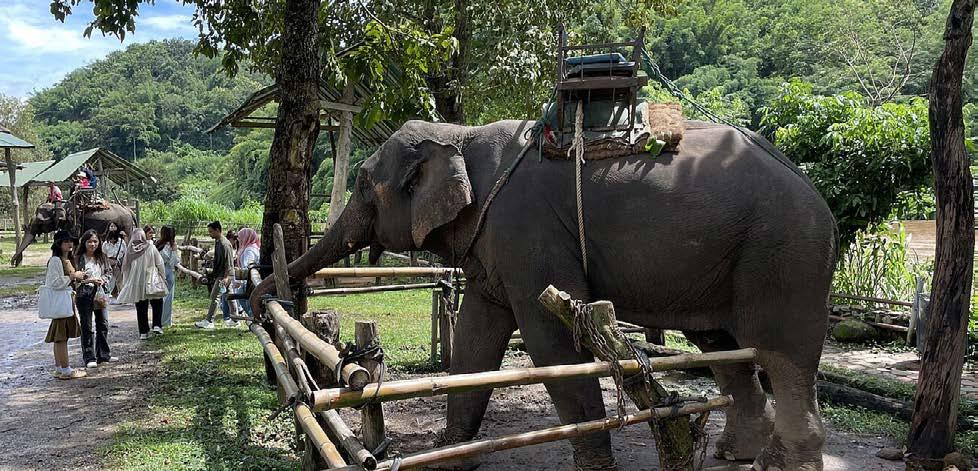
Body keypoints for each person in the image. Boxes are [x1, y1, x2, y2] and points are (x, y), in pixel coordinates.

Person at [38, 230, 87, 379]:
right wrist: (73, 276)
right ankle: (66, 370)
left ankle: (60, 368)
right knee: (61, 337)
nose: (69, 244)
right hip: (61, 303)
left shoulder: (67, 260)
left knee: (60, 336)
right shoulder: (55, 261)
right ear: (58, 244)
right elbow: (55, 283)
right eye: (66, 241)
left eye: (71, 241)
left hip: (66, 301)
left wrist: (79, 278)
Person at [73, 230, 115, 368]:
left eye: (95, 241)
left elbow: (109, 272)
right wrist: (89, 280)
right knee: (87, 325)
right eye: (90, 241)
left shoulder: (102, 257)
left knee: (103, 323)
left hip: (100, 293)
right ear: (84, 243)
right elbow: (74, 278)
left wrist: (103, 280)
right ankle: (89, 356)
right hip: (84, 294)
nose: (92, 244)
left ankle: (103, 354)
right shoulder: (78, 258)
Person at [117, 229, 167, 339]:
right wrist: (163, 276)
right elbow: (160, 262)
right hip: (151, 279)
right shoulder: (150, 247)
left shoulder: (130, 250)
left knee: (141, 306)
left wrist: (127, 282)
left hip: (137, 282)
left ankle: (143, 332)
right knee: (157, 301)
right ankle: (157, 325)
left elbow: (126, 268)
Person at [195, 221, 235, 329]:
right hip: (222, 274)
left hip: (224, 275)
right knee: (229, 296)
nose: (210, 234)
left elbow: (228, 262)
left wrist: (226, 277)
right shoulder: (218, 242)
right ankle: (235, 319)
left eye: (211, 232)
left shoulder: (224, 244)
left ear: (217, 230)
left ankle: (209, 320)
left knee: (215, 296)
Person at [234, 227, 260, 316]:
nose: (239, 239)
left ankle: (252, 316)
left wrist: (239, 277)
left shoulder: (249, 250)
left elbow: (248, 266)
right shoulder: (253, 247)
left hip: (249, 280)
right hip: (250, 279)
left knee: (245, 298)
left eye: (240, 237)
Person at [156, 226, 179, 328]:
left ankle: (161, 320)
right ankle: (163, 321)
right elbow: (173, 262)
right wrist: (174, 251)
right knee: (165, 297)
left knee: (163, 297)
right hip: (166, 271)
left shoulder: (159, 245)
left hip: (162, 271)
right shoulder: (167, 246)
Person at [101, 224, 127, 298]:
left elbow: (125, 253)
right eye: (111, 226)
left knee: (119, 280)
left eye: (114, 226)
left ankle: (121, 296)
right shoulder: (105, 243)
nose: (112, 241)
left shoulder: (121, 242)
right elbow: (103, 254)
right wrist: (106, 264)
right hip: (108, 263)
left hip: (117, 263)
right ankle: (106, 295)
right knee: (108, 280)